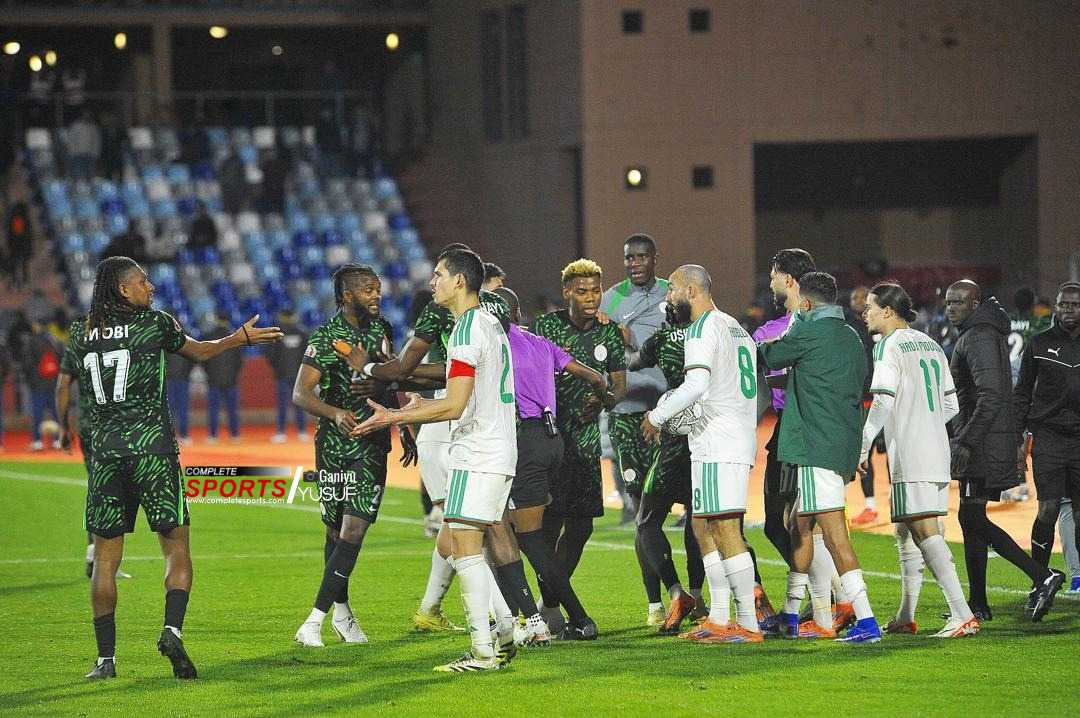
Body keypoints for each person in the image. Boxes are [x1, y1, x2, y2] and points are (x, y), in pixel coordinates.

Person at [71, 255, 280, 680]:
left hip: (106, 455)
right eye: (142, 281)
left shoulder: (80, 332)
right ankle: (171, 630)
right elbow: (200, 352)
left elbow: (79, 389)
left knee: (106, 559)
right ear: (123, 290)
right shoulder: (155, 323)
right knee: (176, 547)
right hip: (153, 451)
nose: (151, 287)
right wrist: (238, 338)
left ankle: (105, 660)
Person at [357, 248, 519, 673]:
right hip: (497, 447)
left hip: (477, 450)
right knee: (468, 544)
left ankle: (483, 651)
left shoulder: (466, 329)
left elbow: (453, 405)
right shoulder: (488, 322)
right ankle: (504, 630)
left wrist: (395, 415)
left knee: (464, 547)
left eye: (439, 275)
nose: (433, 283)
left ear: (460, 282)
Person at [758, 271, 883, 643]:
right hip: (839, 443)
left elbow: (769, 353)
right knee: (798, 522)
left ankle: (866, 619)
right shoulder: (850, 336)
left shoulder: (807, 331)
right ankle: (793, 614)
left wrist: (793, 322)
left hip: (815, 446)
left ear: (808, 304)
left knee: (834, 536)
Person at [642, 265, 763, 644]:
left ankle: (746, 623)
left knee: (725, 529)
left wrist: (658, 416)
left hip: (717, 443)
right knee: (702, 525)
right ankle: (721, 616)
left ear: (692, 291)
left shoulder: (701, 328)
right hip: (730, 435)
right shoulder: (735, 328)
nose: (668, 298)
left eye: (672, 290)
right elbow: (729, 390)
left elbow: (696, 384)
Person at [858, 283, 979, 638]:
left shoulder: (890, 346)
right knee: (906, 529)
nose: (866, 313)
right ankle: (906, 615)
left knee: (926, 532)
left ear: (888, 311)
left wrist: (863, 444)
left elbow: (881, 401)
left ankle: (962, 614)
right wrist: (925, 424)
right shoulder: (930, 344)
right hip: (936, 449)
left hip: (912, 452)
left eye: (870, 307)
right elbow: (951, 406)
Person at [291, 264, 399, 649]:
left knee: (355, 529)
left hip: (370, 443)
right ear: (348, 296)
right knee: (335, 531)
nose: (376, 296)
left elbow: (390, 380)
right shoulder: (325, 337)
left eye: (378, 289)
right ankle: (342, 613)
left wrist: (407, 425)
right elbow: (301, 394)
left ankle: (312, 621)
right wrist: (334, 412)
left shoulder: (382, 330)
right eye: (369, 290)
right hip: (334, 446)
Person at [945, 279, 1064, 622]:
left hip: (981, 442)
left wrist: (966, 440)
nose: (951, 308)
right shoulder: (982, 331)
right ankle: (978, 603)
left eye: (959, 302)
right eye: (949, 302)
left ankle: (1042, 576)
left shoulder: (978, 336)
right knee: (972, 518)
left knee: (970, 517)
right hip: (987, 438)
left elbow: (992, 395)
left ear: (975, 302)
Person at [494, 286, 604, 643]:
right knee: (513, 533)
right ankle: (519, 615)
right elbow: (595, 376)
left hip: (524, 439)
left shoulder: (498, 345)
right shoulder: (542, 343)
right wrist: (599, 400)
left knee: (529, 540)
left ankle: (576, 617)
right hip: (553, 440)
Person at [533, 259, 627, 631]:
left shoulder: (609, 334)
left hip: (586, 443)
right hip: (551, 437)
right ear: (567, 292)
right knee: (549, 525)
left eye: (596, 290)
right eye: (583, 291)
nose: (591, 298)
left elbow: (620, 386)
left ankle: (551, 601)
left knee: (582, 527)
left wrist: (604, 401)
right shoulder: (546, 327)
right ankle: (552, 607)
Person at [600, 233, 670, 618]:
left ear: (655, 257)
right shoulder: (611, 299)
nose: (635, 263)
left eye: (642, 256)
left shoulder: (671, 292)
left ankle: (690, 592)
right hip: (628, 413)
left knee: (690, 508)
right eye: (629, 258)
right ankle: (656, 602)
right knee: (642, 513)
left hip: (671, 413)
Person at [1013, 282, 1080, 595]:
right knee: (1048, 509)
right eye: (1064, 305)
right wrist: (1017, 435)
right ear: (1056, 306)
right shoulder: (1039, 343)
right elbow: (1023, 391)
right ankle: (1039, 579)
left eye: (1075, 305)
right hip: (1049, 437)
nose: (1068, 310)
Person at [846, 285, 881, 526]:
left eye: (861, 297)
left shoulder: (877, 329)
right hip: (864, 399)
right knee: (862, 451)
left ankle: (901, 504)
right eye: (853, 296)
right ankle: (870, 505)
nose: (857, 300)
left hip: (880, 398)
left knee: (885, 452)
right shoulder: (850, 328)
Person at [265, 306, 309, 443]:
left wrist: (277, 368)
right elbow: (308, 354)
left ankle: (281, 432)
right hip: (299, 374)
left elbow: (270, 355)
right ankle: (302, 432)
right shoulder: (302, 333)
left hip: (282, 374)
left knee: (282, 404)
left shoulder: (276, 334)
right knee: (299, 404)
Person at [23, 312, 63, 450]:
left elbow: (27, 364)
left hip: (38, 383)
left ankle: (37, 441)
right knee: (57, 412)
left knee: (37, 412)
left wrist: (30, 379)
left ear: (38, 325)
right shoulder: (56, 341)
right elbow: (64, 361)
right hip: (54, 383)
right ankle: (58, 440)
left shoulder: (33, 341)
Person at [201, 314, 243, 443]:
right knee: (232, 409)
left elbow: (204, 359)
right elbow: (239, 361)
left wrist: (209, 373)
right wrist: (234, 375)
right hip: (231, 380)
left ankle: (213, 435)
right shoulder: (235, 337)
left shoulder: (209, 336)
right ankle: (235, 435)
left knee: (213, 409)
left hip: (213, 379)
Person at [166, 347, 193, 446]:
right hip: (179, 378)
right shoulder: (187, 337)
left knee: (172, 409)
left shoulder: (166, 338)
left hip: (174, 378)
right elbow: (192, 359)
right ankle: (183, 436)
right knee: (179, 408)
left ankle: (172, 437)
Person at [65, 110, 101, 180]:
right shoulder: (75, 126)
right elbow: (70, 140)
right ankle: (79, 188)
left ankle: (90, 189)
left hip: (90, 154)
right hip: (77, 154)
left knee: (90, 174)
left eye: (88, 115)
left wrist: (95, 153)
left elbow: (96, 141)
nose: (86, 117)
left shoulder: (93, 127)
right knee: (78, 174)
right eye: (84, 115)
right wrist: (73, 151)